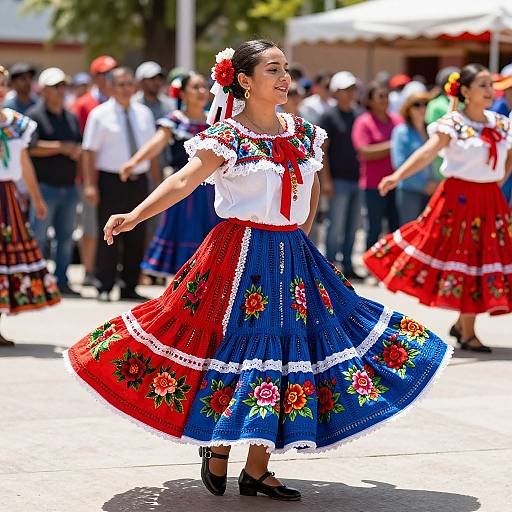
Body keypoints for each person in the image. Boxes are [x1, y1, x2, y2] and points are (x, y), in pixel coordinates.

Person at [64, 40, 451, 501]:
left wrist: (299, 245)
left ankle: (258, 468)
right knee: (229, 346)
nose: (285, 77)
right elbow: (184, 180)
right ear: (243, 81)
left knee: (289, 354)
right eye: (273, 69)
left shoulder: (306, 134)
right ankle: (218, 443)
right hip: (237, 254)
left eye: (285, 68)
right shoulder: (227, 136)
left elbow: (309, 199)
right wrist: (133, 216)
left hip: (292, 253)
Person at [364, 64, 512, 352]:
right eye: (481, 85)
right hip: (458, 198)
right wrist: (398, 175)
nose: (488, 90)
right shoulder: (452, 123)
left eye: (489, 85)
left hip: (489, 199)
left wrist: (493, 181)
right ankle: (467, 330)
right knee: (462, 256)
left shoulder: (500, 123)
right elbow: (428, 152)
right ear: (465, 92)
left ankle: (465, 327)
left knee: (482, 260)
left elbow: (508, 159)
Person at [121, 72, 220, 277]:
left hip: (211, 191)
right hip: (182, 190)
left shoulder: (216, 121)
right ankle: (178, 295)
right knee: (184, 234)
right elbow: (156, 143)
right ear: (182, 94)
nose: (202, 91)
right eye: (195, 87)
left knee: (211, 238)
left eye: (204, 87)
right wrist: (134, 162)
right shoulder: (175, 120)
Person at [82, 67, 158, 302]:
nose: (126, 89)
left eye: (129, 83)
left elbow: (151, 151)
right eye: (121, 84)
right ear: (111, 88)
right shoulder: (100, 114)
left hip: (138, 181)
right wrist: (90, 185)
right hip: (110, 180)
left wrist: (155, 181)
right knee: (109, 233)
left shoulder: (144, 113)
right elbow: (88, 152)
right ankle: (104, 284)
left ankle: (129, 284)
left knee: (137, 233)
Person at [0, 65, 60, 346]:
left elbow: (24, 164)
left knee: (6, 261)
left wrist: (36, 198)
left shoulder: (16, 123)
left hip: (7, 197)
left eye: (2, 84)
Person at [27, 68, 82, 297]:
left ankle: (61, 281)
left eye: (63, 87)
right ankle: (36, 284)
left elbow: (79, 145)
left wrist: (75, 152)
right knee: (38, 238)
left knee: (65, 238)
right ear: (44, 90)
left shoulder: (70, 117)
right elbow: (30, 148)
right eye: (56, 87)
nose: (61, 91)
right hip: (44, 187)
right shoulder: (34, 116)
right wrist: (61, 147)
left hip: (69, 187)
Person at [72, 55, 118, 288]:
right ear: (96, 77)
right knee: (90, 225)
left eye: (112, 72)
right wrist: (87, 180)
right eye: (105, 73)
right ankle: (89, 270)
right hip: (90, 176)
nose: (110, 78)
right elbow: (82, 144)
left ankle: (110, 270)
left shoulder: (120, 102)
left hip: (114, 176)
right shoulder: (83, 104)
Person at [318, 71, 363, 278]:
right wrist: (326, 180)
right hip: (337, 179)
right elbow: (323, 150)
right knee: (335, 224)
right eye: (346, 90)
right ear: (336, 93)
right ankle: (330, 265)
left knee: (353, 225)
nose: (350, 93)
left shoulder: (358, 115)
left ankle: (348, 265)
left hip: (357, 178)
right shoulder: (328, 116)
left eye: (352, 89)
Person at [352, 82, 401, 250]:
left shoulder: (397, 120)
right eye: (380, 96)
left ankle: (392, 266)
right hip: (374, 184)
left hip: (397, 183)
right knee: (374, 228)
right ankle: (370, 264)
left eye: (387, 96)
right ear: (370, 100)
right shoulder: (363, 122)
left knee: (396, 226)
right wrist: (394, 146)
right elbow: (365, 151)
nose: (385, 100)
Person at [391, 91, 437, 224]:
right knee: (410, 232)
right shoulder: (401, 132)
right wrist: (424, 185)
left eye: (426, 104)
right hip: (409, 191)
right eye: (417, 105)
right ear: (408, 109)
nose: (422, 108)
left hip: (433, 191)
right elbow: (399, 164)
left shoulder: (433, 130)